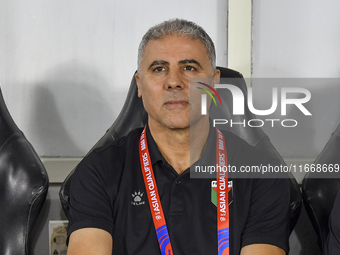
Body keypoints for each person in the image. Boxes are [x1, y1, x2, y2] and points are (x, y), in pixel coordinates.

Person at [66, 19, 290, 255]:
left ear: (214, 83)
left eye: (189, 68)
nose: (174, 82)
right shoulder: (99, 171)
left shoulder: (262, 175)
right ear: (140, 86)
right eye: (159, 68)